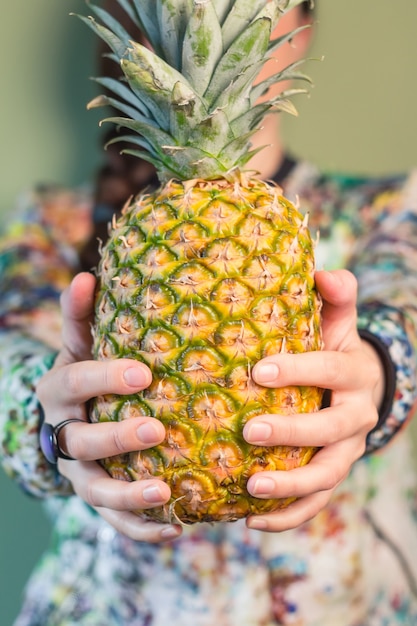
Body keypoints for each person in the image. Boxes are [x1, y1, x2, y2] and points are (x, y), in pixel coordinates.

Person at [1, 1, 417, 624]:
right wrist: (46, 423)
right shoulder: (54, 221)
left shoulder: (386, 207)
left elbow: (403, 314)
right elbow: (10, 358)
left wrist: (378, 378)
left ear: (300, 25)